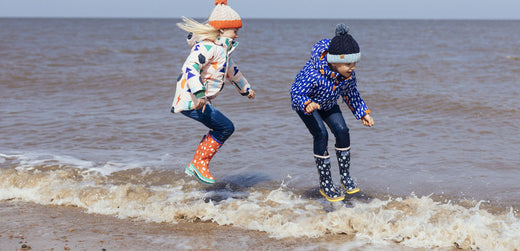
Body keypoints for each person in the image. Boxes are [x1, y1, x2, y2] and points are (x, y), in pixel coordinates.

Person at [171, 0, 255, 185]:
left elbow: (232, 72)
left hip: (198, 99)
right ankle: (198, 163)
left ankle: (197, 163)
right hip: (192, 98)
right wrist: (199, 93)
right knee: (225, 127)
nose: (237, 34)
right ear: (222, 30)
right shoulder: (207, 48)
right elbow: (190, 67)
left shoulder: (223, 52)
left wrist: (246, 89)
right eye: (234, 30)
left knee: (223, 127)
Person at [290, 24, 374, 202]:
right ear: (334, 61)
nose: (352, 68)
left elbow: (351, 94)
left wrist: (363, 113)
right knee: (321, 134)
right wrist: (307, 103)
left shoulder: (347, 76)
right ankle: (326, 183)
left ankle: (345, 177)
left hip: (328, 104)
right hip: (307, 106)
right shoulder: (312, 73)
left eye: (355, 63)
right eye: (348, 64)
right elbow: (296, 92)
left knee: (342, 131)